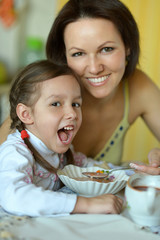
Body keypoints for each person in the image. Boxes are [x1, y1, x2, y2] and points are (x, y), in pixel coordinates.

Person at [0, 0, 160, 175]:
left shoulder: (137, 85)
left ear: (127, 46)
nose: (94, 68)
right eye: (78, 53)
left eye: (106, 49)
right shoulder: (43, 92)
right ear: (64, 56)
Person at [0, 60, 123, 216]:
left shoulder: (62, 152)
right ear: (26, 114)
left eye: (76, 104)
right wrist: (86, 205)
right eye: (56, 103)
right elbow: (15, 196)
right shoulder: (15, 152)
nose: (72, 113)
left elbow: (88, 168)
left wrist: (131, 173)